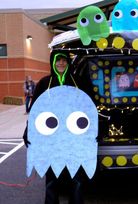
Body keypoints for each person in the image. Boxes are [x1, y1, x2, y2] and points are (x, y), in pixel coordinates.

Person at [23, 51, 85, 204]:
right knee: (52, 179)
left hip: (74, 139)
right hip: (51, 139)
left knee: (76, 179)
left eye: (64, 60)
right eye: (58, 60)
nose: (61, 63)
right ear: (52, 62)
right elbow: (35, 111)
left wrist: (93, 131)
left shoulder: (78, 82)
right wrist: (28, 132)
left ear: (68, 63)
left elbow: (88, 109)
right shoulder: (44, 83)